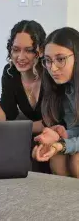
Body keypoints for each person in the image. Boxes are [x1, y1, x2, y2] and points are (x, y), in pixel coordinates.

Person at [0, 20, 49, 173]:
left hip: (54, 135)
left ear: (41, 50)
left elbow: (54, 121)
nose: (20, 57)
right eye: (16, 49)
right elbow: (5, 120)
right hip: (28, 135)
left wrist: (18, 128)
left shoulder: (51, 72)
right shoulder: (10, 73)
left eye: (28, 50)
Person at [32, 27, 79, 178]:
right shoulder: (65, 89)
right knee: (56, 157)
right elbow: (76, 129)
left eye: (60, 59)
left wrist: (62, 144)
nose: (52, 68)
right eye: (47, 60)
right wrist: (61, 135)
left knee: (76, 160)